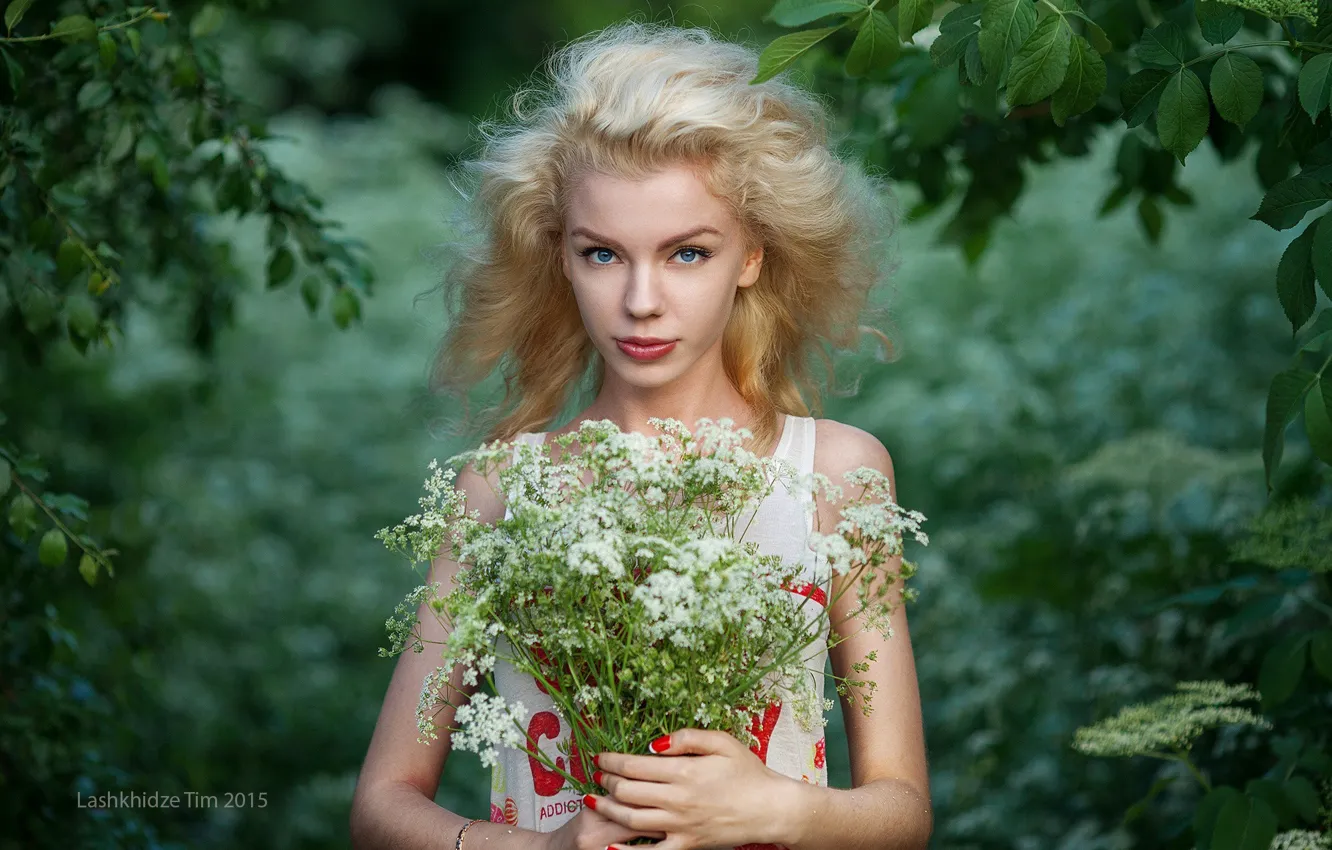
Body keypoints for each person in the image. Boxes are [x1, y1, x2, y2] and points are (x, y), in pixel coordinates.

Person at [350, 20, 931, 850]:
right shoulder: (503, 487)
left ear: (753, 255)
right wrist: (543, 849)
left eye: (688, 254)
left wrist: (780, 808)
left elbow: (904, 815)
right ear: (560, 258)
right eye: (603, 255)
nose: (641, 300)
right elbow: (379, 808)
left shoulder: (837, 471)